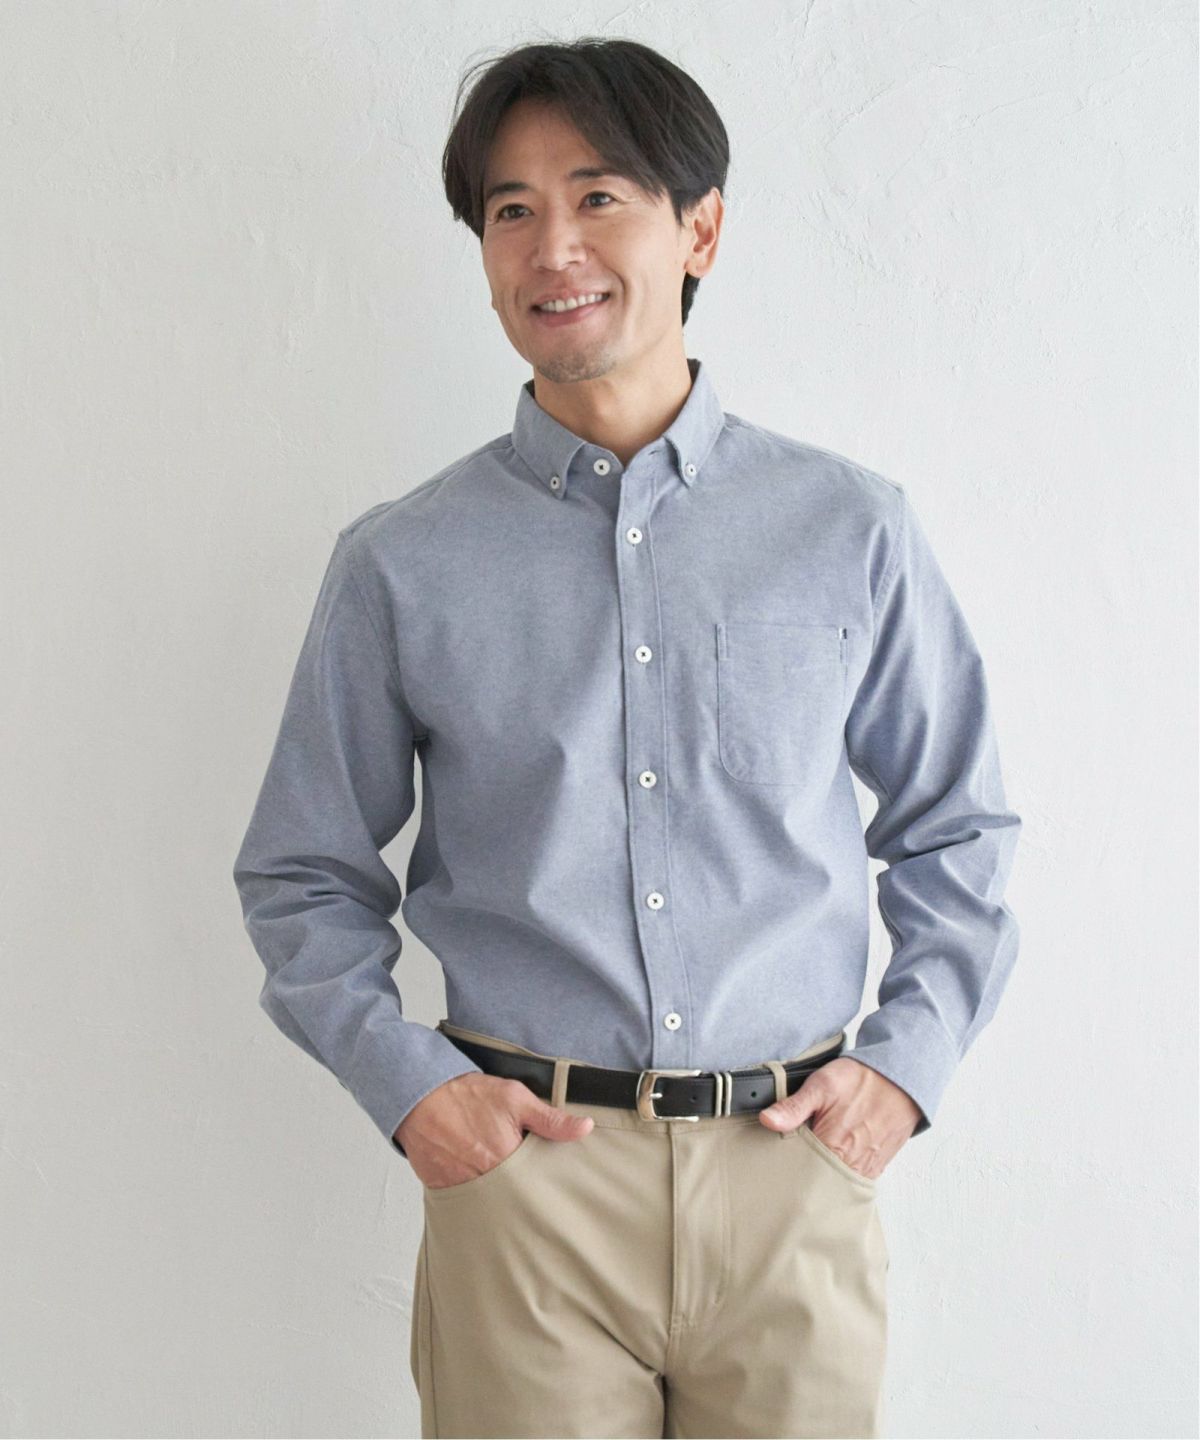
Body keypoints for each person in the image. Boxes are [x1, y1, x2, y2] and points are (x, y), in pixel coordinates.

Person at [232, 35, 1021, 1440]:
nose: (554, 247)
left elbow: (957, 827)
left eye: (598, 196)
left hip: (792, 1179)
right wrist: (414, 1093)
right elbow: (301, 870)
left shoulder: (850, 529)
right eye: (512, 209)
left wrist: (904, 1070)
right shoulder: (402, 562)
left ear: (699, 229)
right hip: (528, 1184)